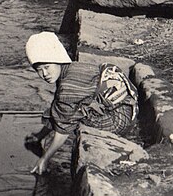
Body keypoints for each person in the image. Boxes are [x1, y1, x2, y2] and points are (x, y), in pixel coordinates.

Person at [24, 31, 138, 175]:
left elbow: (63, 128)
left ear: (57, 59)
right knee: (66, 109)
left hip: (118, 119)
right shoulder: (71, 69)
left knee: (73, 119)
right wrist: (40, 135)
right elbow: (59, 109)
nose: (44, 74)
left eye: (47, 67)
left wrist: (45, 158)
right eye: (38, 70)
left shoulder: (69, 87)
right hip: (126, 107)